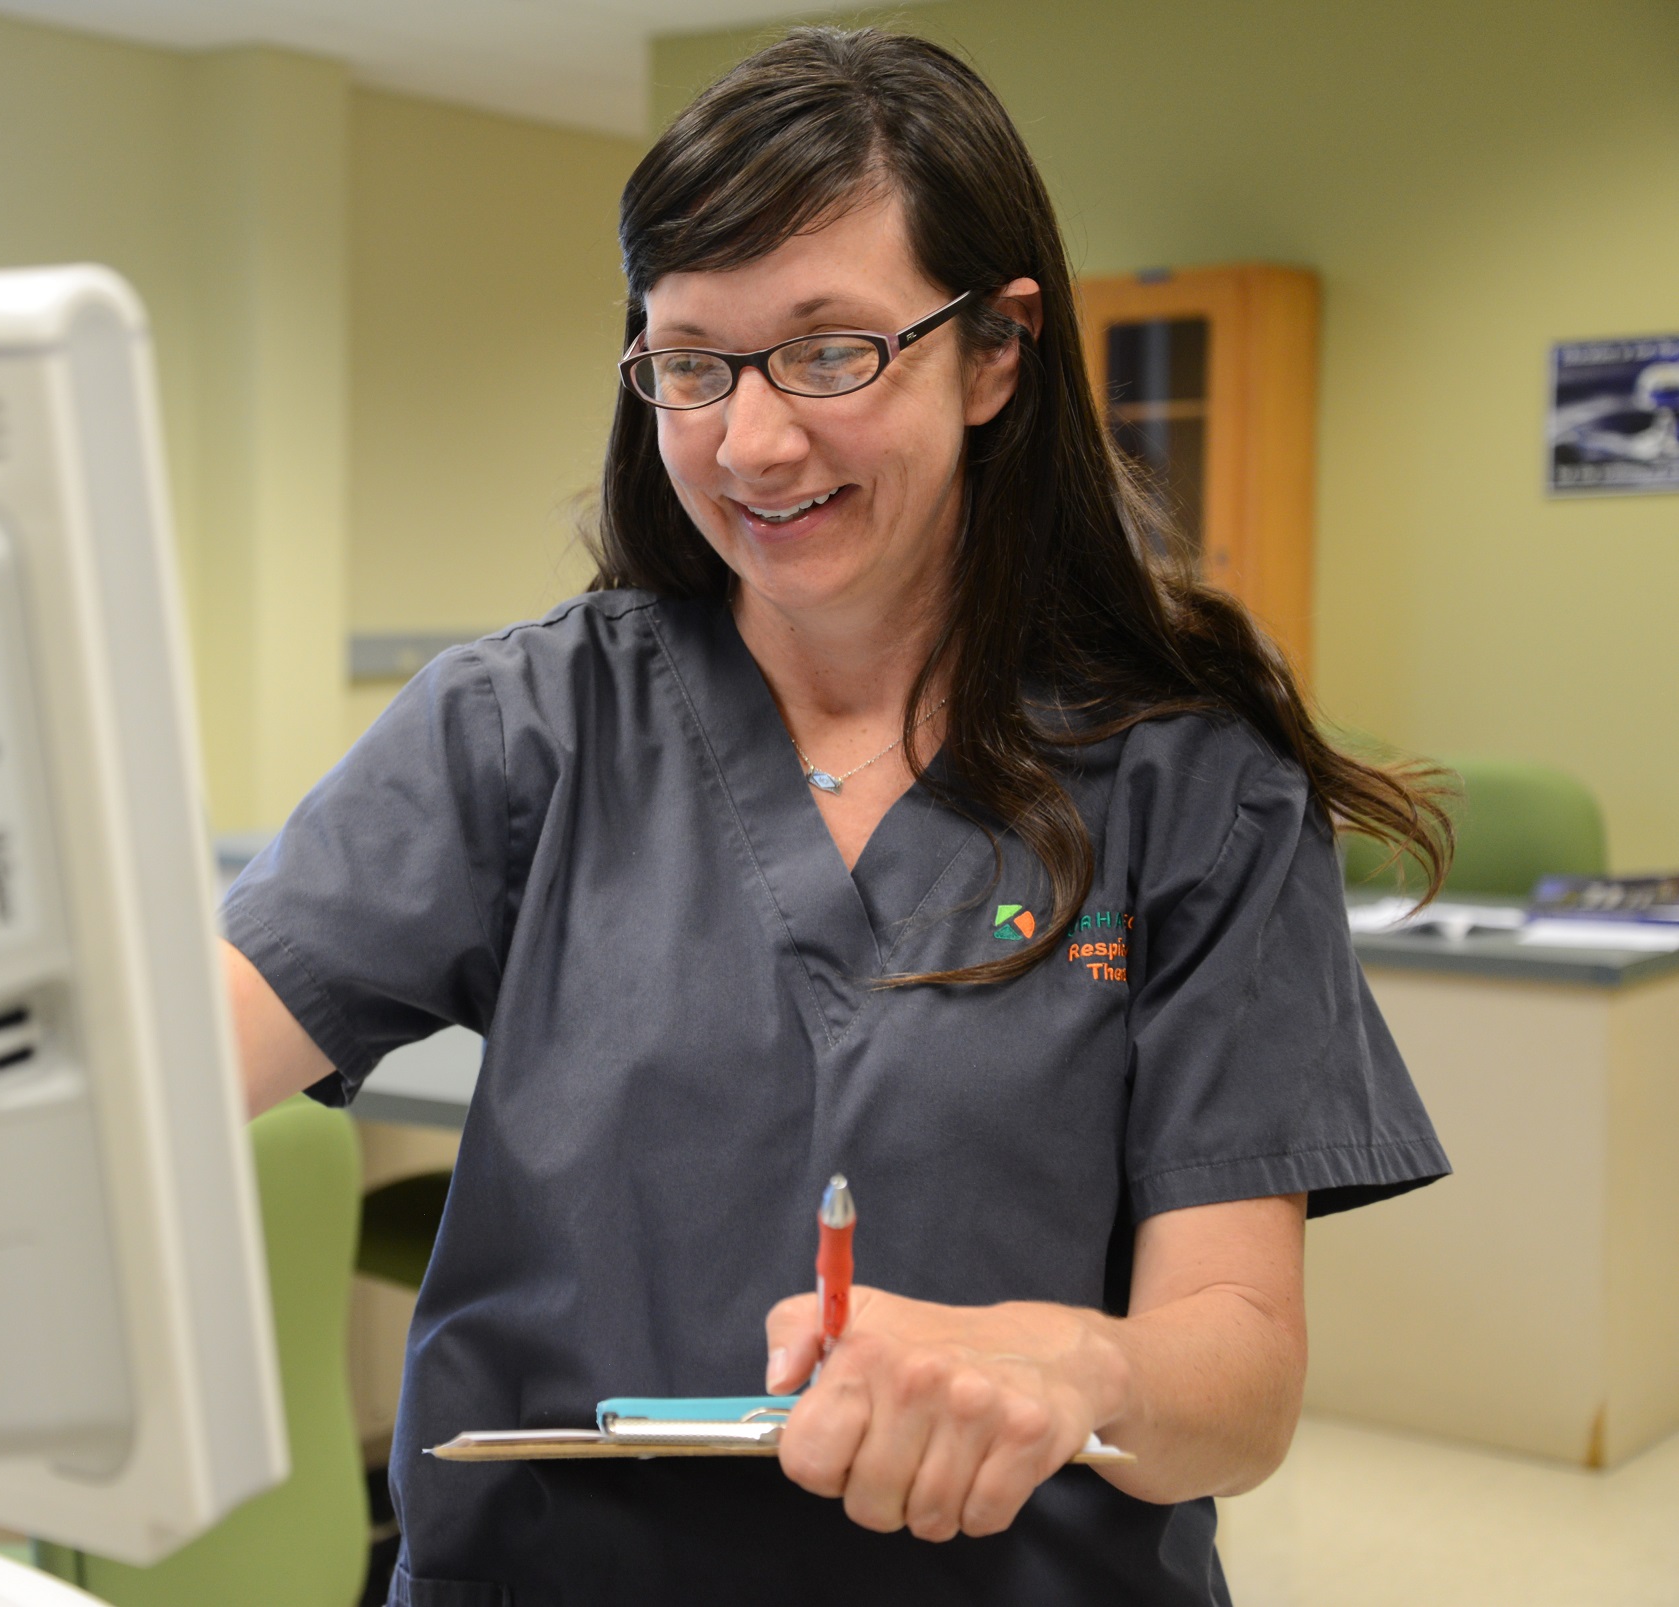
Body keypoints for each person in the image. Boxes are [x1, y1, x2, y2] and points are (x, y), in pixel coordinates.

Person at [222, 26, 1451, 1605]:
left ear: (997, 351)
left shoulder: (1187, 781)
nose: (751, 442)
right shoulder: (519, 730)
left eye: (828, 352)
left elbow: (1238, 1385)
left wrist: (1074, 1367)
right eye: (690, 362)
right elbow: (169, 1075)